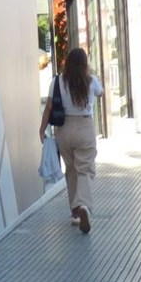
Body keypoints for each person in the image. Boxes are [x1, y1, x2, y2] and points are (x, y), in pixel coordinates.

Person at [39, 46, 103, 233]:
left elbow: (49, 107)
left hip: (64, 130)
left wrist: (42, 129)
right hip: (84, 127)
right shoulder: (90, 80)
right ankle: (83, 205)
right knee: (85, 169)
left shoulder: (57, 81)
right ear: (84, 64)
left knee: (72, 169)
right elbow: (100, 92)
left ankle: (75, 213)